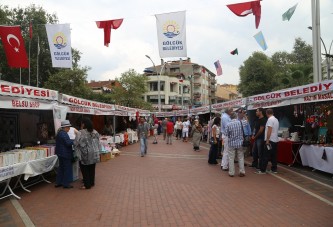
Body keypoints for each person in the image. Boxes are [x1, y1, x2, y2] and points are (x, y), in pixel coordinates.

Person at [74, 118, 101, 189]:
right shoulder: (95, 132)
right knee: (92, 168)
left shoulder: (80, 133)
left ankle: (87, 185)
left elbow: (76, 143)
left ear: (83, 124)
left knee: (85, 169)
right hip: (94, 153)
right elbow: (99, 143)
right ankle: (91, 183)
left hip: (85, 154)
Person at [256, 108, 280, 174]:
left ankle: (262, 170)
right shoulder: (276, 119)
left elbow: (269, 130)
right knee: (273, 155)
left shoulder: (270, 120)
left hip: (270, 140)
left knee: (265, 155)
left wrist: (267, 140)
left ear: (266, 113)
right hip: (275, 140)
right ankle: (274, 169)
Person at [55, 120, 74, 189]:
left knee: (61, 168)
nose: (69, 129)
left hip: (60, 153)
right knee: (67, 168)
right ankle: (66, 184)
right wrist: (74, 141)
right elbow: (68, 143)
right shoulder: (64, 134)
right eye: (68, 127)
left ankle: (58, 182)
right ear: (65, 127)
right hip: (65, 154)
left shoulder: (60, 133)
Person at [225, 112, 246, 177]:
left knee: (231, 158)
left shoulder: (228, 125)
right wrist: (244, 115)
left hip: (231, 143)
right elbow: (247, 122)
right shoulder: (241, 122)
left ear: (230, 117)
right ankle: (242, 171)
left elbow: (226, 134)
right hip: (240, 143)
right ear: (236, 116)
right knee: (240, 157)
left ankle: (231, 173)